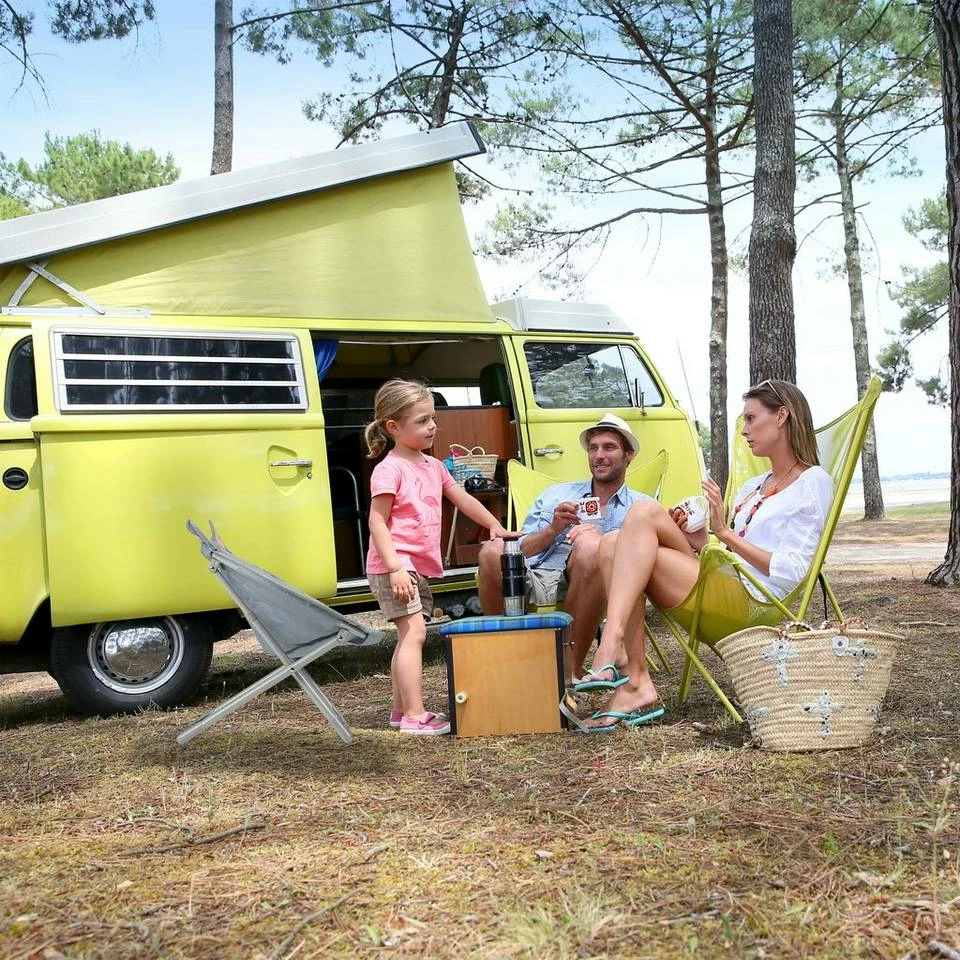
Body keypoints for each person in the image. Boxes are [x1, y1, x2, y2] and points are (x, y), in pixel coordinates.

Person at [577, 379, 834, 732]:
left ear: (781, 416)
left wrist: (724, 534)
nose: (744, 431)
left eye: (751, 418)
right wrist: (701, 540)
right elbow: (729, 554)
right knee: (611, 542)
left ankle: (612, 647)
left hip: (753, 601)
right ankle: (634, 679)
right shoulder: (753, 487)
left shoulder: (812, 481)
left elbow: (792, 571)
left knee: (640, 515)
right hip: (724, 582)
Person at [365, 379, 516, 735]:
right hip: (395, 565)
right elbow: (377, 521)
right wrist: (395, 567)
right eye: (422, 421)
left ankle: (400, 711)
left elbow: (462, 499)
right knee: (414, 633)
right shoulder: (389, 469)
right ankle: (414, 716)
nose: (432, 426)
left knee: (408, 635)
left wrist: (494, 525)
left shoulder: (434, 466)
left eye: (432, 418)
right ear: (393, 427)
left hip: (414, 566)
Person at [477, 412, 652, 679]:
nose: (599, 455)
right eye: (593, 448)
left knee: (590, 547)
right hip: (536, 575)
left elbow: (649, 558)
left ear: (629, 455)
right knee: (492, 551)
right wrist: (553, 529)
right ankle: (502, 661)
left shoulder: (642, 508)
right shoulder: (556, 495)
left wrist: (606, 541)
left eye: (609, 447)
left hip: (599, 583)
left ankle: (567, 672)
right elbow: (520, 549)